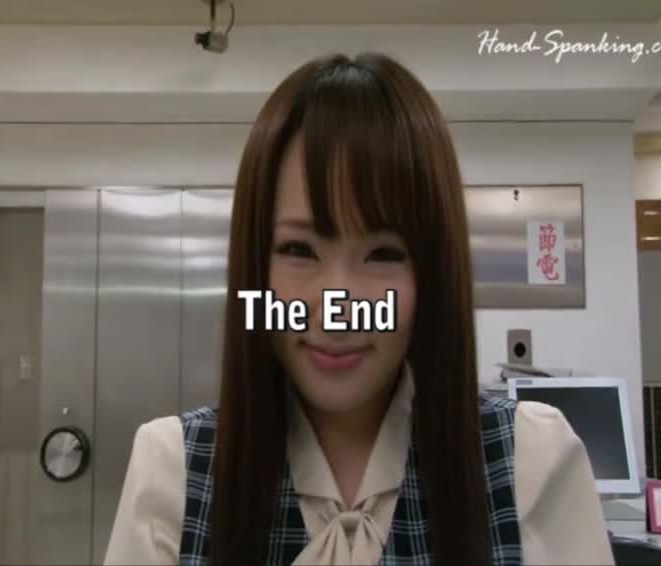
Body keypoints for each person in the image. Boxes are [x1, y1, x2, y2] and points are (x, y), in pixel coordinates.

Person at [104, 52, 613, 566]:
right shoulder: (174, 472)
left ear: (431, 273)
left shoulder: (529, 462)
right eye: (299, 250)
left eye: (384, 254)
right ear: (255, 266)